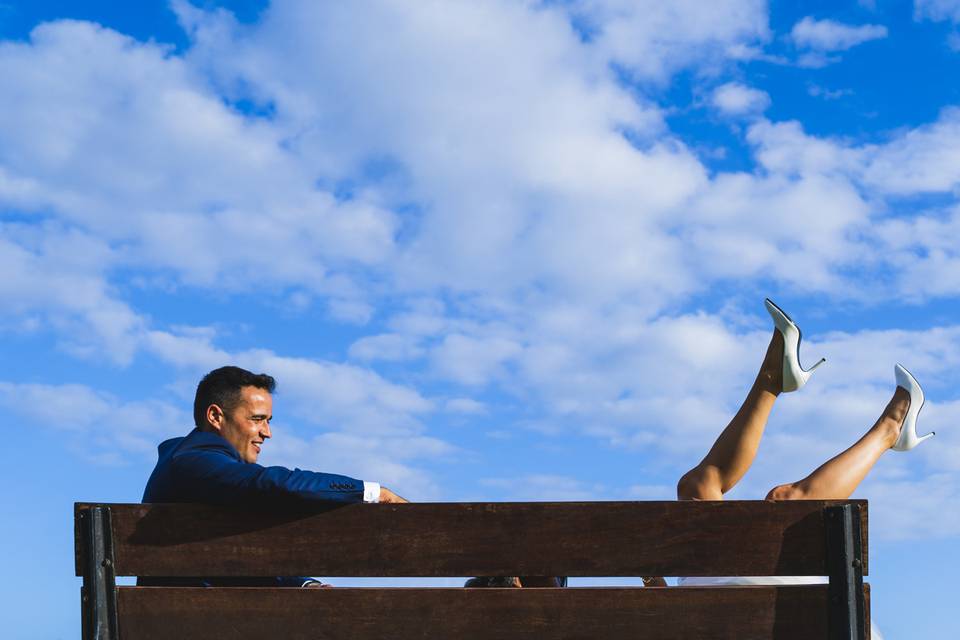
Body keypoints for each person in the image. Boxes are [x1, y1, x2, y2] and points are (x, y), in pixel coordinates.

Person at [670, 299, 935, 640]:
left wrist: (651, 582)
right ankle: (889, 428)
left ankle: (776, 379)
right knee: (785, 502)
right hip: (758, 615)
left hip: (718, 613)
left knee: (698, 486)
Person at [140, 365, 407, 587]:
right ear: (215, 416)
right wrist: (371, 492)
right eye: (257, 419)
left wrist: (303, 585)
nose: (267, 432)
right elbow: (276, 484)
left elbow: (231, 561)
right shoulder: (195, 461)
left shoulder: (195, 465)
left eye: (268, 420)